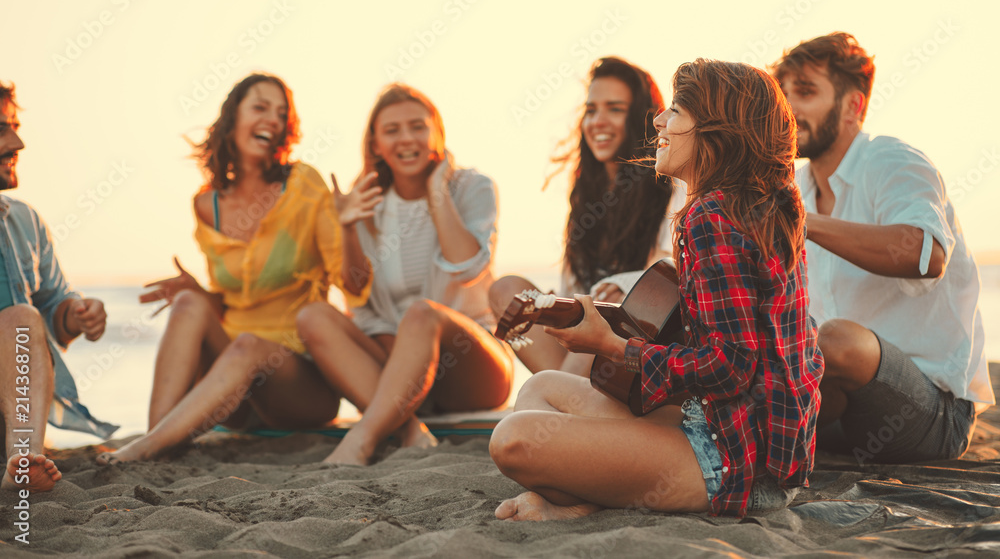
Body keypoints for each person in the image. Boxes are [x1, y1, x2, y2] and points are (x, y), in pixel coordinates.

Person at [489, 59, 823, 519]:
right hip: (741, 438)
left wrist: (610, 346)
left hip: (732, 462)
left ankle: (585, 503)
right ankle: (593, 496)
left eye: (676, 112)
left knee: (513, 439)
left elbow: (731, 365)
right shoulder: (761, 207)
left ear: (716, 133)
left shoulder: (712, 217)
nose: (659, 120)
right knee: (541, 388)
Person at [97, 73, 379, 464]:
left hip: (296, 382)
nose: (272, 120)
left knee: (247, 345)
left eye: (281, 114)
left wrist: (348, 229)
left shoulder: (304, 185)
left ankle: (147, 445)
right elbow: (237, 298)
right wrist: (200, 292)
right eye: (260, 107)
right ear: (232, 120)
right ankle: (158, 438)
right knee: (187, 305)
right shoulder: (205, 205)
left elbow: (354, 285)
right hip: (233, 390)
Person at [772, 32, 993, 463]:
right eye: (783, 94)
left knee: (835, 339)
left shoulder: (891, 160)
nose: (788, 108)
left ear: (854, 106)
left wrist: (801, 221)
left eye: (806, 91)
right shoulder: (795, 186)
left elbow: (925, 254)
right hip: (839, 408)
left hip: (933, 414)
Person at [296, 83, 512, 465]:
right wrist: (347, 227)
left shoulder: (473, 188)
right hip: (404, 371)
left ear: (437, 133)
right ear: (376, 144)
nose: (406, 138)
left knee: (421, 313)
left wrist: (436, 192)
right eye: (392, 130)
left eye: (417, 126)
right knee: (313, 316)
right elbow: (360, 303)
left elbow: (468, 269)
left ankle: (363, 439)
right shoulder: (366, 203)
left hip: (472, 368)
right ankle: (410, 428)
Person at [489, 57, 685, 375]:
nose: (599, 121)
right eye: (591, 110)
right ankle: (561, 396)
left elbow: (680, 273)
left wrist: (624, 286)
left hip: (638, 338)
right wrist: (561, 302)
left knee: (605, 315)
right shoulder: (586, 195)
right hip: (582, 334)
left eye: (615, 109)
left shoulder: (672, 186)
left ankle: (558, 401)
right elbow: (577, 285)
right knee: (505, 289)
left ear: (641, 118)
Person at [0, 81, 114, 492]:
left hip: (12, 414)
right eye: (1, 130)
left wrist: (76, 314)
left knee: (23, 317)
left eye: (14, 125)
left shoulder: (27, 221)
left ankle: (22, 463)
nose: (18, 142)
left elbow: (50, 310)